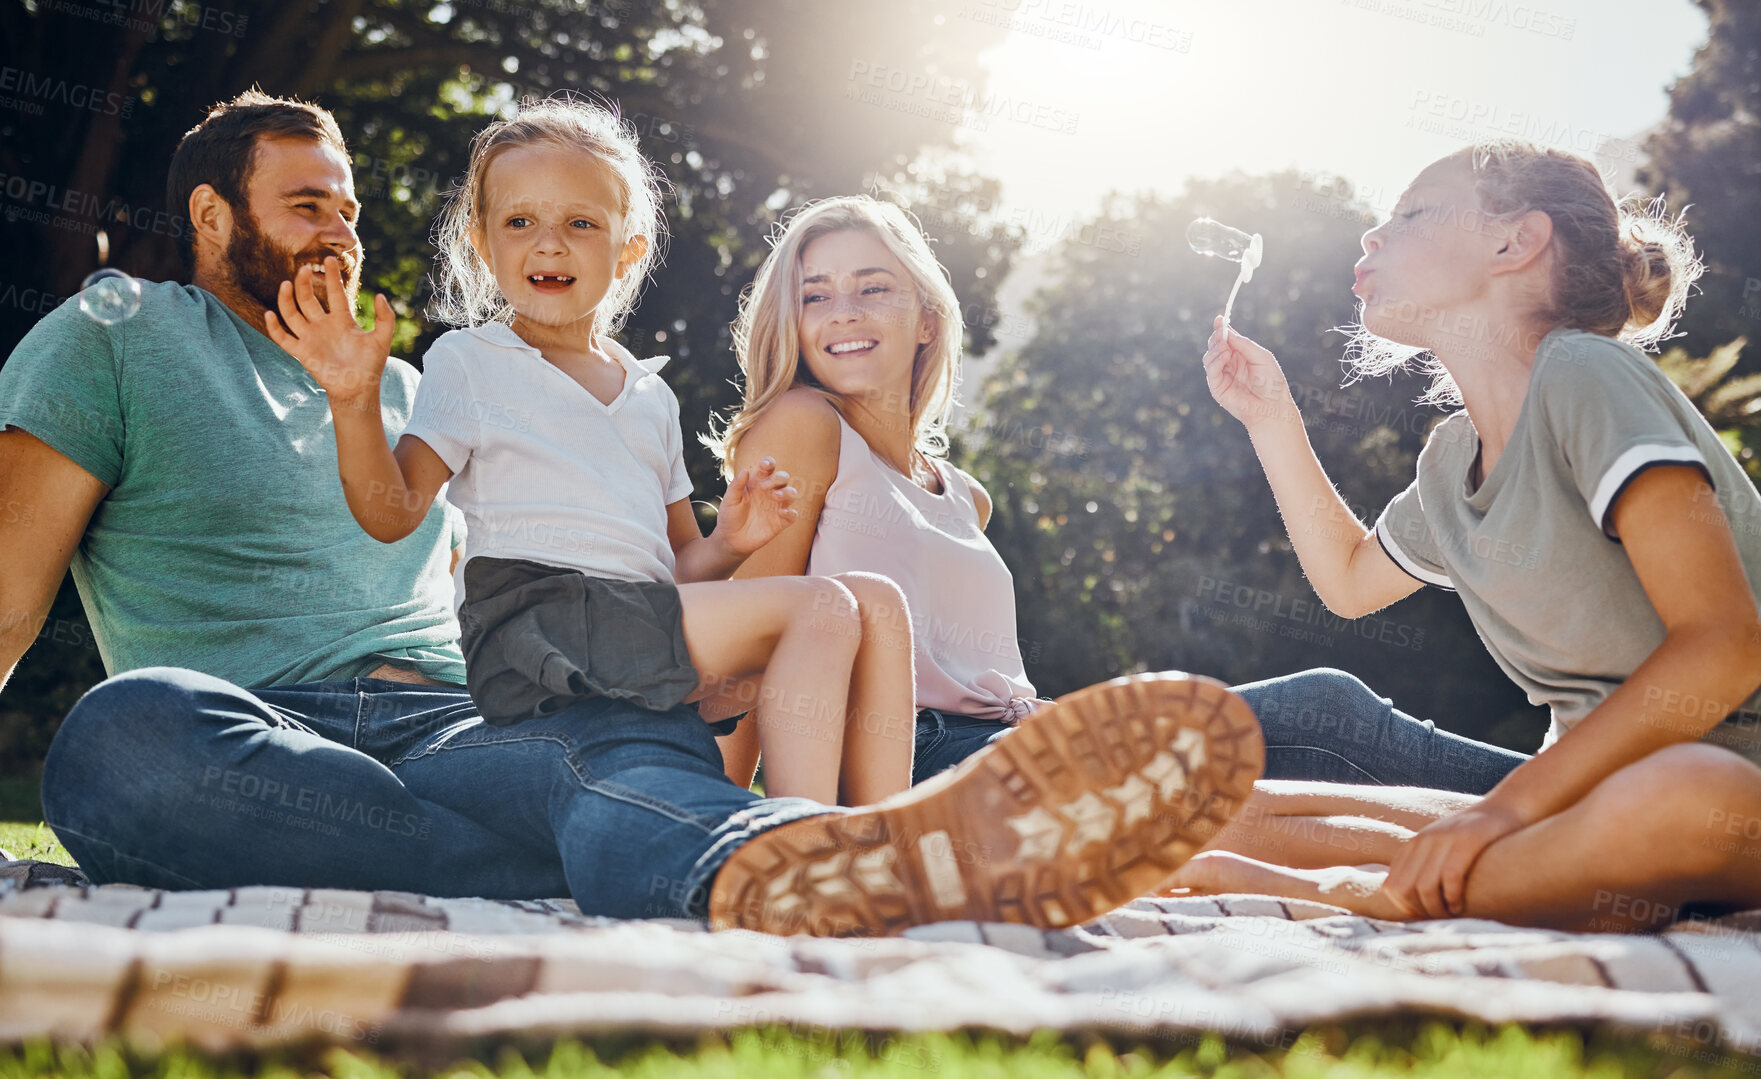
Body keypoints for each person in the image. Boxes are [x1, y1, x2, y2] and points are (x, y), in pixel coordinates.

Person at [5, 89, 1263, 938]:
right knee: (120, 742)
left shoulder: (404, 380)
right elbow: (11, 592)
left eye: (346, 199)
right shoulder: (119, 337)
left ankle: (787, 853)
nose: (341, 223)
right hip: (255, 724)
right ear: (211, 216)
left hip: (458, 718)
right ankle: (594, 854)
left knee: (593, 753)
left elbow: (591, 558)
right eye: (304, 202)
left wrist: (719, 559)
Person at [1170, 138, 1761, 931]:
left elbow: (1725, 647)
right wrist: (1270, 416)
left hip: (1721, 798)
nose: (1370, 237)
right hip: (1571, 805)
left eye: (1409, 214)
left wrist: (1495, 814)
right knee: (1232, 812)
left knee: (1687, 796)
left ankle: (1364, 897)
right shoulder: (1452, 459)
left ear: (1513, 242)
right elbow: (1348, 580)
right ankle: (1510, 873)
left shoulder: (1585, 374)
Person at [263, 98, 912, 807]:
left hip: (631, 620)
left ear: (627, 247)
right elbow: (392, 514)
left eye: (580, 223)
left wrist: (729, 542)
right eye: (520, 223)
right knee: (818, 608)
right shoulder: (471, 360)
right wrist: (353, 401)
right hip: (532, 624)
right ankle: (798, 840)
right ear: (482, 242)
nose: (549, 244)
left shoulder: (647, 394)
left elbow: (677, 568)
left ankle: (883, 835)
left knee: (875, 605)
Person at [706, 196, 1246, 796]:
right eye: (815, 295)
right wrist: (715, 822)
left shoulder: (967, 498)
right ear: (793, 322)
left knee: (1310, 706)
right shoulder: (801, 425)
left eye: (873, 289)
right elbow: (752, 645)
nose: (843, 313)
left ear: (928, 319)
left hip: (1015, 736)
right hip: (913, 760)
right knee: (1191, 788)